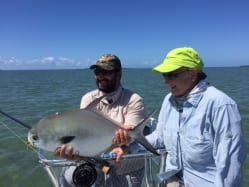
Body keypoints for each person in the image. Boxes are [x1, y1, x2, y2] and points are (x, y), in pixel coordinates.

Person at [112, 47, 246, 187]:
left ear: (193, 73)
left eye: (172, 75)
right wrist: (129, 145)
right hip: (173, 179)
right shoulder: (169, 100)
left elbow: (230, 165)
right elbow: (160, 136)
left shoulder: (221, 105)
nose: (167, 81)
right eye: (165, 75)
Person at [55, 54, 147, 187]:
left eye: (106, 72)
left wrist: (124, 145)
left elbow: (131, 134)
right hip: (95, 164)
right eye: (97, 72)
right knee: (66, 179)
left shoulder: (134, 100)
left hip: (126, 167)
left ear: (119, 73)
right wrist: (75, 151)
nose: (100, 76)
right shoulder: (88, 99)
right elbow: (84, 134)